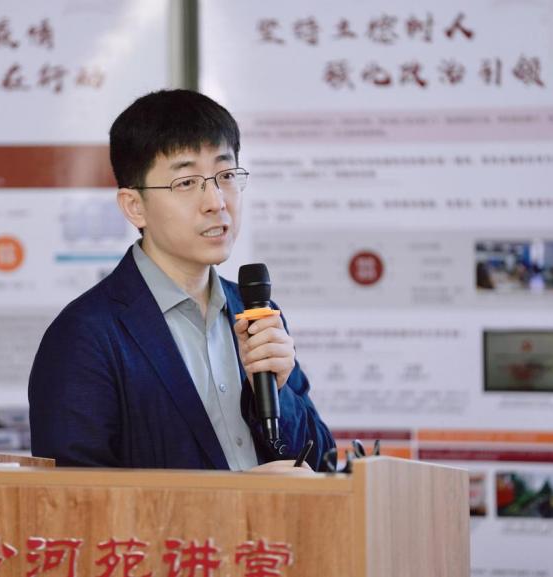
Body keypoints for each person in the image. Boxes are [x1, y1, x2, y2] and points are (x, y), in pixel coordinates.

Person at [29, 89, 334, 472]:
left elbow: (324, 462)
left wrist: (280, 390)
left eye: (226, 175)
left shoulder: (256, 312)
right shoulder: (85, 335)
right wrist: (239, 497)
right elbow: (74, 497)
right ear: (134, 206)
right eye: (187, 182)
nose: (216, 201)